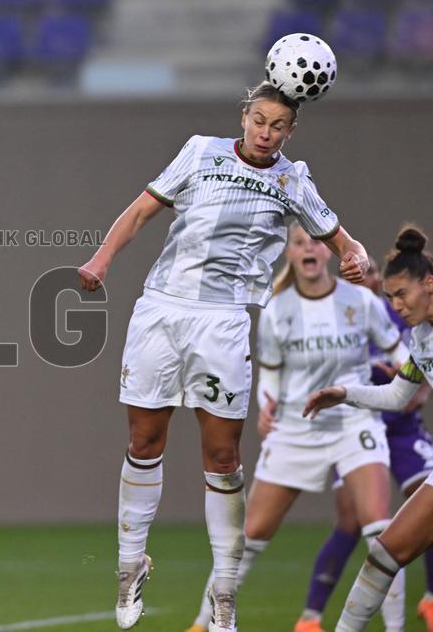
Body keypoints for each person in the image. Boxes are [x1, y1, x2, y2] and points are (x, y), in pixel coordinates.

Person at [77, 81, 370, 632]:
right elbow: (141, 211)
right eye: (258, 120)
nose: (266, 132)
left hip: (223, 320)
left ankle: (225, 595)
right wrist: (101, 260)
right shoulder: (200, 151)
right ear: (244, 117)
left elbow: (345, 245)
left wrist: (353, 260)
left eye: (278, 125)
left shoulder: (292, 180)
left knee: (223, 457)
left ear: (291, 130)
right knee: (144, 440)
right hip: (162, 309)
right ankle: (128, 564)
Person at [184, 225, 409, 632]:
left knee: (381, 531)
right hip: (295, 428)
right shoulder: (276, 310)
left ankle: (395, 629)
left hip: (354, 423)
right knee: (247, 537)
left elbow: (398, 349)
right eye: (299, 243)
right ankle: (204, 624)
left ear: (328, 253)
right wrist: (264, 404)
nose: (308, 249)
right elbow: (269, 372)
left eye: (315, 243)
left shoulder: (360, 300)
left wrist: (409, 370)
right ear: (288, 253)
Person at [291, 257, 433, 632]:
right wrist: (344, 393)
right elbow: (398, 395)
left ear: (430, 284)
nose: (396, 305)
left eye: (401, 294)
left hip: (405, 439)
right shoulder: (420, 339)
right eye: (391, 297)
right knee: (383, 555)